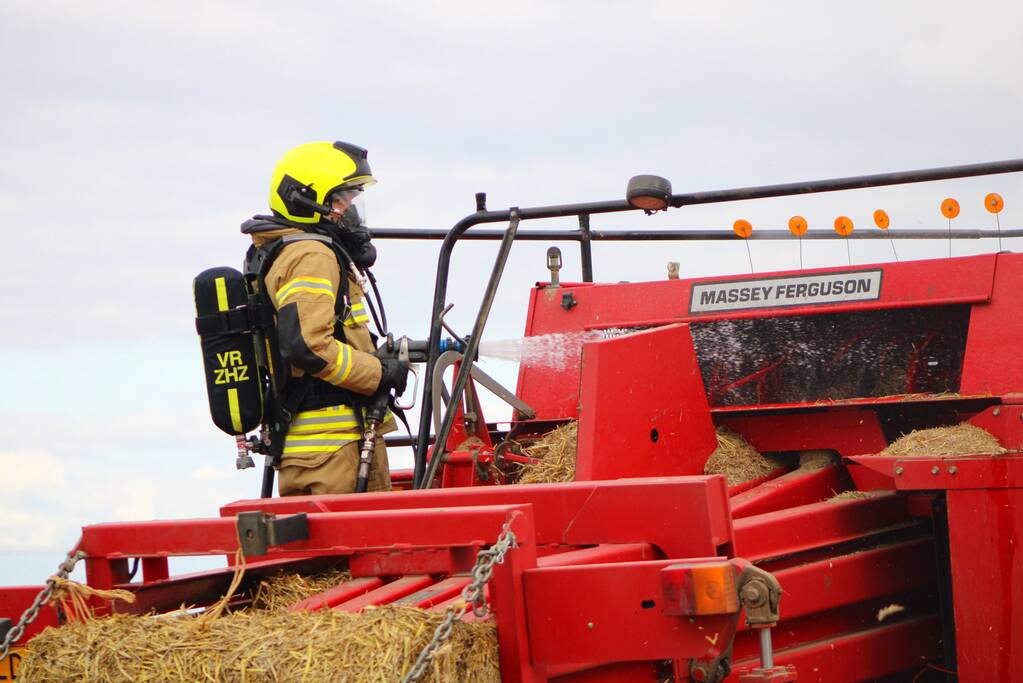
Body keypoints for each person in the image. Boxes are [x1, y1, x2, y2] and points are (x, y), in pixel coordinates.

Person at [240, 141, 407, 495]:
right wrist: (378, 372)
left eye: (351, 198)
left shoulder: (285, 249)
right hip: (333, 449)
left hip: (323, 448)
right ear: (303, 200)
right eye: (339, 199)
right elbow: (308, 345)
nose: (349, 210)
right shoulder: (310, 255)